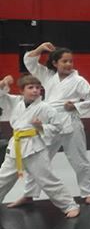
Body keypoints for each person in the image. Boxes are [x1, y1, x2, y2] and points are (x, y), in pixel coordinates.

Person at [10, 42, 90, 208]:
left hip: (70, 122)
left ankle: (89, 191)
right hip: (47, 124)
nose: (68, 64)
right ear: (55, 63)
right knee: (37, 159)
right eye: (64, 61)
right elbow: (29, 62)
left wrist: (76, 105)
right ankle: (29, 194)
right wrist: (40, 49)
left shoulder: (79, 80)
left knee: (79, 159)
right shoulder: (47, 76)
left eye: (70, 61)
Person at [0, 74, 80, 218]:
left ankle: (70, 205)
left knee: (47, 180)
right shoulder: (16, 102)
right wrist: (3, 83)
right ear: (22, 90)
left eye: (37, 87)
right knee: (2, 178)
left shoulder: (45, 108)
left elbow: (58, 127)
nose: (35, 90)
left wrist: (41, 126)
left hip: (35, 148)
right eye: (30, 87)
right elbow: (1, 96)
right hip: (16, 147)